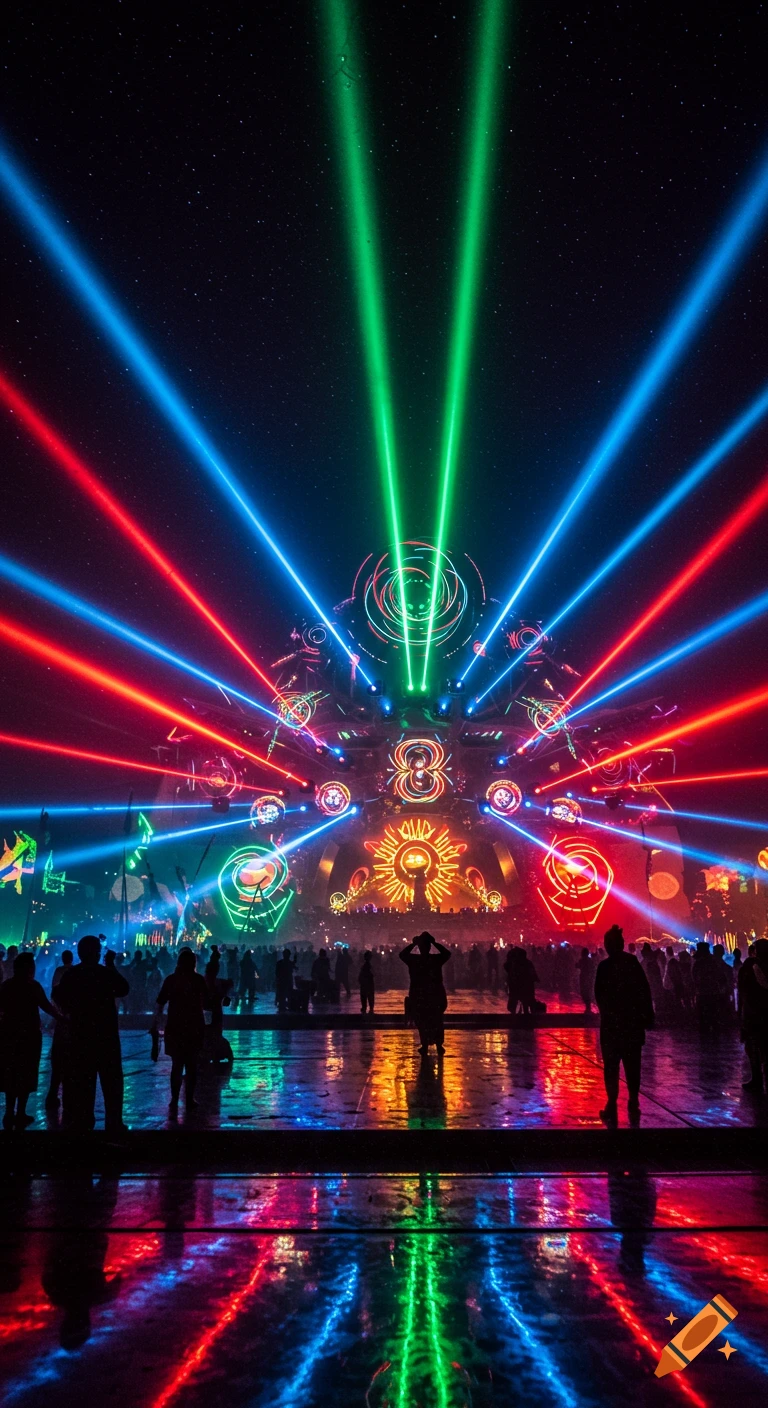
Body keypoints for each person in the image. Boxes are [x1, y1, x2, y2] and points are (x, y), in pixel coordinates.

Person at [57, 935, 130, 1137]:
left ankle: (83, 1121)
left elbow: (59, 996)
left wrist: (72, 1011)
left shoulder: (73, 975)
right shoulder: (104, 973)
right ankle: (113, 1122)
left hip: (81, 1035)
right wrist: (111, 965)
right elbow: (124, 988)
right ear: (97, 953)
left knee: (82, 1082)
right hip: (106, 1036)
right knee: (112, 1082)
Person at [594, 924, 654, 1123]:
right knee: (632, 1065)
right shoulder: (632, 963)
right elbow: (644, 991)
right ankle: (633, 1099)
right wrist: (647, 1016)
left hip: (612, 1025)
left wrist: (608, 1013)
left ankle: (611, 1102)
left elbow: (599, 995)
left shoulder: (604, 967)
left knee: (611, 1066)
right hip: (631, 1024)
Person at [0, 953, 61, 1130]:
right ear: (29, 968)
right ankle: (20, 1112)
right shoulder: (32, 986)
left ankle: (9, 1112)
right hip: (29, 1036)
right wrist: (61, 1018)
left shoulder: (6, 986)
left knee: (11, 1072)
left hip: (8, 1035)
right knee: (26, 1072)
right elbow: (46, 1006)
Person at [153, 948, 209, 1115]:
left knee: (176, 1065)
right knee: (192, 1065)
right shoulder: (198, 980)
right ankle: (189, 1098)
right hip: (194, 1026)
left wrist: (156, 1023)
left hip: (175, 1026)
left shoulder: (171, 980)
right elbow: (206, 1001)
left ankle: (174, 1098)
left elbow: (160, 1002)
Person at [399, 932, 451, 1055]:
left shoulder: (414, 960)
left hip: (420, 995)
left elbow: (402, 954)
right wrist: (434, 943)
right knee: (436, 1021)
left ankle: (425, 1046)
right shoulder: (435, 959)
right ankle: (439, 1045)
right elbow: (447, 954)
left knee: (422, 1022)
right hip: (434, 994)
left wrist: (413, 944)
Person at [737, 937, 768, 1092]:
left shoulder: (751, 966)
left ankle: (757, 1079)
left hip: (754, 1013)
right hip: (759, 1012)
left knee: (754, 1046)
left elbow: (744, 991)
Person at [275, 947, 296, 1011]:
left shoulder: (279, 963)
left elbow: (276, 973)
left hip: (282, 981)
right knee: (288, 995)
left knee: (282, 996)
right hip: (287, 981)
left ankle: (282, 1007)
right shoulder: (289, 963)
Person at [577, 948, 597, 1013]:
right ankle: (588, 1007)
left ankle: (588, 1007)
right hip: (589, 978)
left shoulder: (582, 960)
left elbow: (577, 965)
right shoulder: (590, 960)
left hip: (584, 978)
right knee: (588, 992)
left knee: (584, 992)